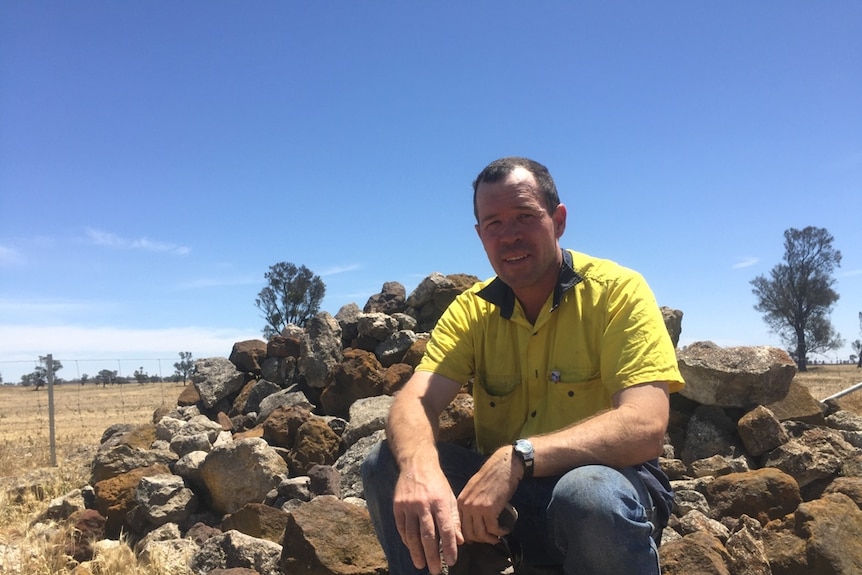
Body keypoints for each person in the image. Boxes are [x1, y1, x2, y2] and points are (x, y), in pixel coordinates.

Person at [361, 157, 685, 575]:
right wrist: (420, 468)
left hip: (605, 491)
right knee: (386, 464)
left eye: (525, 217)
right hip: (501, 504)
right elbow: (414, 401)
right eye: (493, 224)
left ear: (558, 219)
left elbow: (645, 426)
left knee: (588, 494)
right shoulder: (472, 310)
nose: (509, 236)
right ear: (480, 235)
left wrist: (520, 457)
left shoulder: (617, 293)